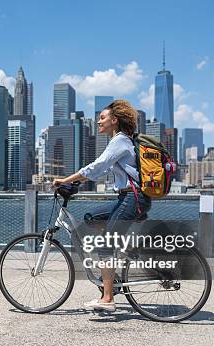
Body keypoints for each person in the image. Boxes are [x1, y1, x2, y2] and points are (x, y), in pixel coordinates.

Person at [52, 99, 151, 312]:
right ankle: (114, 267)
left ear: (114, 120)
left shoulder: (120, 141)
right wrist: (77, 182)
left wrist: (66, 180)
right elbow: (103, 170)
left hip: (132, 198)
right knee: (91, 218)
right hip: (126, 198)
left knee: (105, 246)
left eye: (102, 118)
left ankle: (107, 299)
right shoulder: (119, 141)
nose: (98, 122)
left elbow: (97, 166)